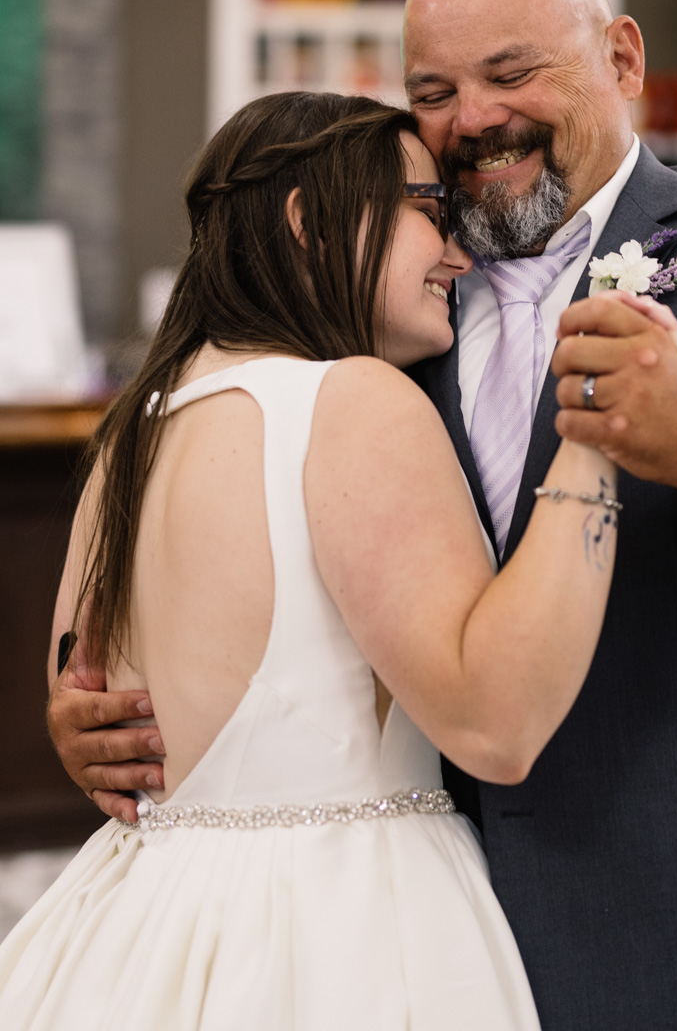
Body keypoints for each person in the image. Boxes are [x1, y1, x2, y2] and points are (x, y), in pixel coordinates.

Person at [48, 0, 677, 1031]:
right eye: (432, 90)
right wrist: (120, 719)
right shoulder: (390, 317)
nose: (471, 119)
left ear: (621, 61)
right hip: (448, 943)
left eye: (509, 73)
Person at [1, 89, 641, 1029]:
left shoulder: (132, 430)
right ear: (310, 222)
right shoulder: (352, 402)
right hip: (335, 940)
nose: (459, 254)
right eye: (431, 213)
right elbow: (498, 725)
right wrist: (594, 434)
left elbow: (80, 689)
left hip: (142, 936)